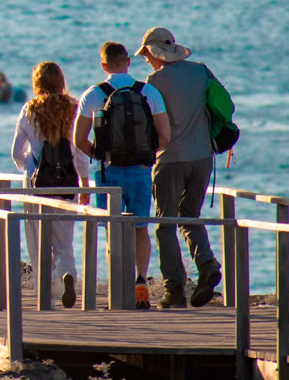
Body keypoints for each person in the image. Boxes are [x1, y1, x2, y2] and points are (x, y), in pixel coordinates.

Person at [75, 41, 171, 310]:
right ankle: (141, 279)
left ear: (103, 65)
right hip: (141, 172)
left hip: (108, 174)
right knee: (140, 227)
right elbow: (165, 136)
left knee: (113, 230)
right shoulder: (148, 92)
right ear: (128, 61)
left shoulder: (94, 95)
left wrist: (101, 156)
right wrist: (145, 157)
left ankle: (120, 286)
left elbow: (78, 139)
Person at [138, 26, 224, 308]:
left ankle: (174, 288)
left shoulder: (154, 81)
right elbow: (224, 104)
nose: (146, 61)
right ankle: (207, 264)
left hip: (170, 158)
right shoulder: (200, 71)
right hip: (202, 157)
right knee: (190, 215)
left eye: (146, 56)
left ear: (153, 53)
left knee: (165, 224)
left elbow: (150, 124)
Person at [10, 61, 88, 308]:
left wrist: (30, 167)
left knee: (38, 242)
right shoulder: (74, 108)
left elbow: (16, 153)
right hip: (68, 183)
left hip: (37, 186)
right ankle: (68, 276)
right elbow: (81, 152)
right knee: (65, 241)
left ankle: (48, 294)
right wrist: (84, 182)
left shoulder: (30, 110)